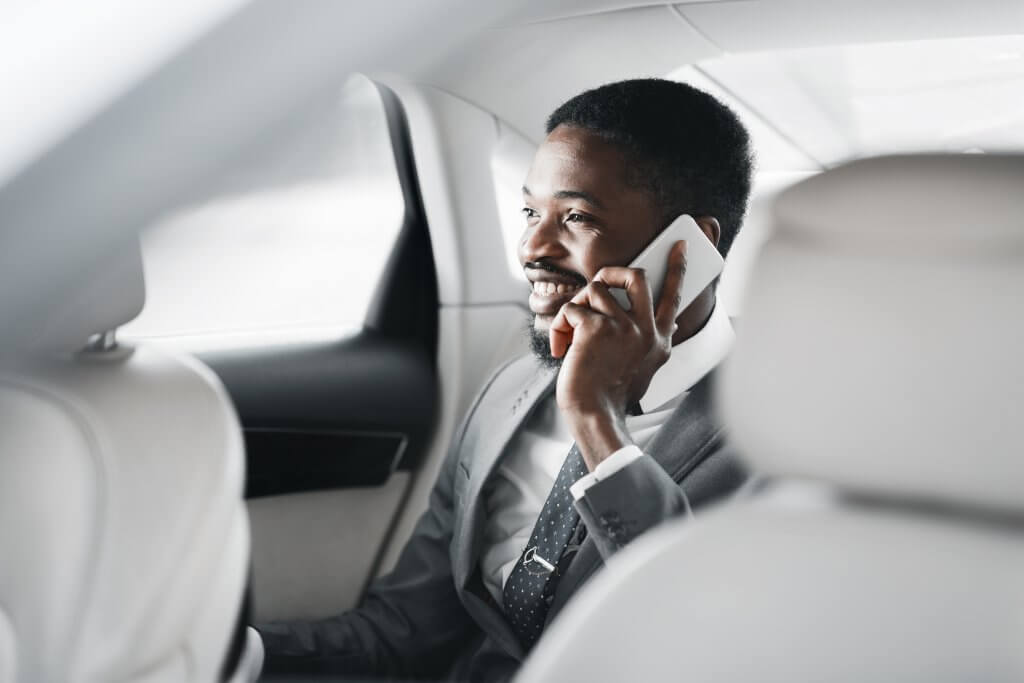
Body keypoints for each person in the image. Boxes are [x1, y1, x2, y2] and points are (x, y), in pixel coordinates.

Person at [257, 78, 754, 681]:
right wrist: (227, 657)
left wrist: (596, 423)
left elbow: (698, 646)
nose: (532, 247)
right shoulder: (507, 394)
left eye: (576, 217)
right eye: (529, 212)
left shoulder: (788, 444)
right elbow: (404, 636)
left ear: (689, 248)